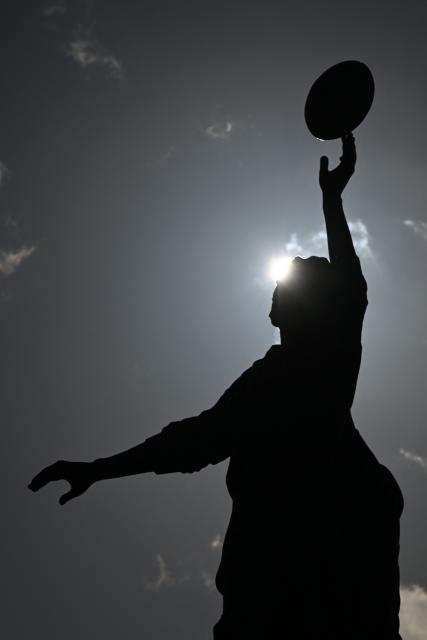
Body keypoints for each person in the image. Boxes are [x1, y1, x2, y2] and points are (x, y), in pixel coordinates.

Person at [29, 134, 404, 639]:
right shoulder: (266, 380)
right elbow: (191, 441)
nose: (283, 275)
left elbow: (353, 294)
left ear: (319, 308)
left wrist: (332, 203)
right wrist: (100, 469)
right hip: (260, 598)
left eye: (297, 275)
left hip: (313, 603)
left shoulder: (323, 372)